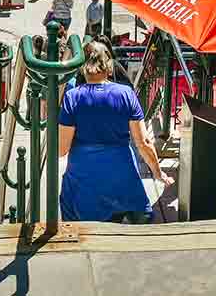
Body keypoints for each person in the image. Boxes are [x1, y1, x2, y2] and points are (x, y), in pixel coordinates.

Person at [58, 42, 165, 222]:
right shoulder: (126, 94)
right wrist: (158, 173)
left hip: (84, 179)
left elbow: (62, 149)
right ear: (109, 68)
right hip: (122, 176)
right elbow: (143, 143)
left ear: (83, 68)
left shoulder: (72, 97)